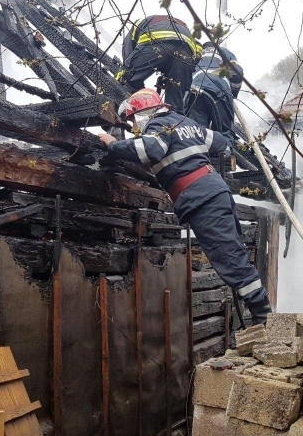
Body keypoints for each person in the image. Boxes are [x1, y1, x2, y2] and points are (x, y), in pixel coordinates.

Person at [98, 88, 272, 325]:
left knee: (230, 260)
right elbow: (222, 143)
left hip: (202, 199)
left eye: (132, 120)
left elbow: (151, 149)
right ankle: (265, 319)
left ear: (141, 113)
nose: (134, 127)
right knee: (234, 254)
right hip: (216, 193)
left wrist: (113, 146)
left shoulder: (157, 127)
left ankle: (266, 322)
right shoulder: (186, 123)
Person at [116, 15, 202, 115]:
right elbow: (199, 50)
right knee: (175, 106)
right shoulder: (181, 26)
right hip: (187, 47)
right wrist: (174, 73)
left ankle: (117, 120)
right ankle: (173, 124)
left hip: (156, 38)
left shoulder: (135, 27)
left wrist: (130, 81)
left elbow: (128, 63)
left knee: (125, 81)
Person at [185, 43, 243, 146]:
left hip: (195, 91)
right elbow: (237, 73)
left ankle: (198, 156)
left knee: (197, 131)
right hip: (220, 91)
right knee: (223, 131)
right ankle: (224, 156)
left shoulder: (197, 52)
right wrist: (233, 93)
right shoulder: (224, 52)